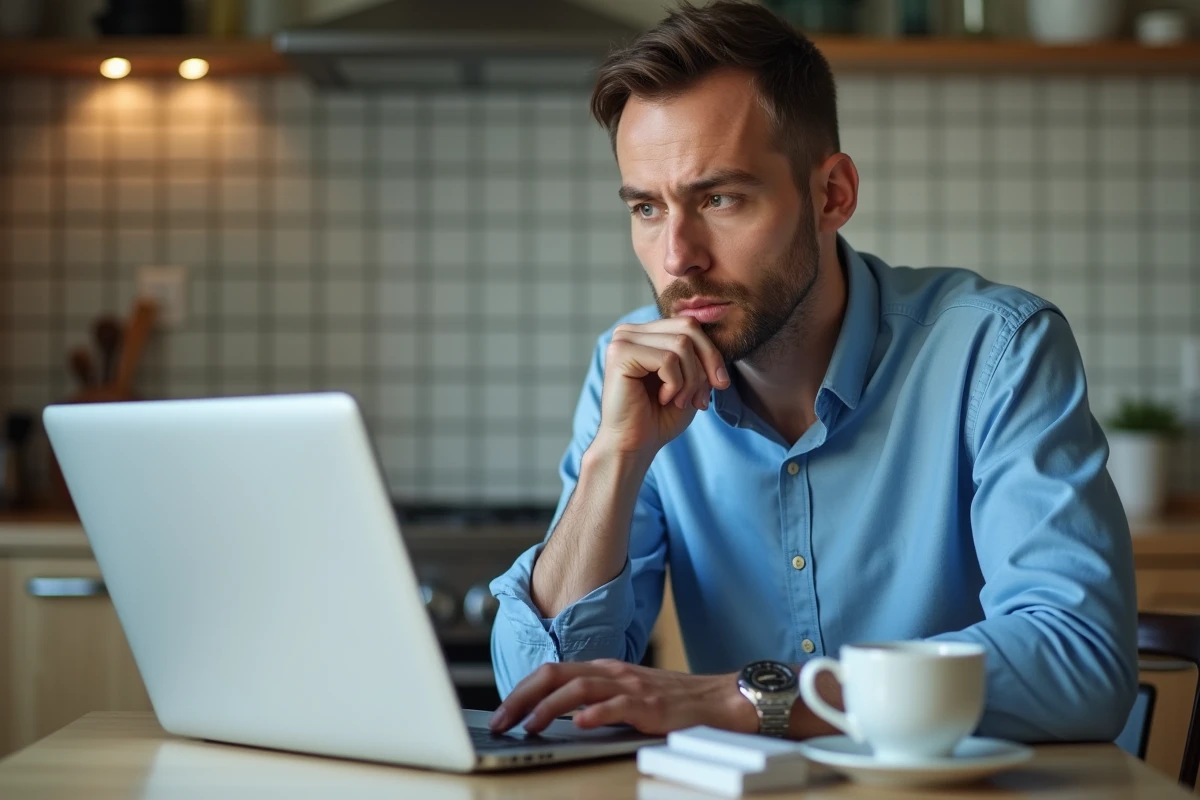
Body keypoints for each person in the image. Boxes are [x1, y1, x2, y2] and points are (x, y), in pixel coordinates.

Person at [487, 0, 1137, 742]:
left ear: (832, 195)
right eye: (646, 208)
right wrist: (615, 458)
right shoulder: (631, 372)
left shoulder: (996, 351)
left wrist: (750, 701)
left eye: (720, 198)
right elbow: (547, 694)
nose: (677, 257)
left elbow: (1079, 660)